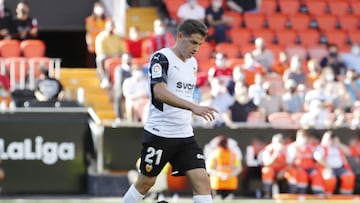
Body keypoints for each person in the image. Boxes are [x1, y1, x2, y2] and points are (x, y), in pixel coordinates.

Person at [122, 19, 218, 203]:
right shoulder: (161, 58)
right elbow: (159, 92)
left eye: (199, 44)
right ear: (180, 36)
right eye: (193, 42)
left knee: (202, 181)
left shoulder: (193, 64)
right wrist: (193, 107)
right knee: (145, 183)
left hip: (184, 135)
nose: (196, 48)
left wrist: (195, 106)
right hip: (160, 133)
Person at [314, 131, 355, 196]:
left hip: (340, 168)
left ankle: (345, 197)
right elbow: (318, 157)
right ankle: (328, 196)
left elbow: (349, 152)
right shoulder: (321, 147)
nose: (331, 140)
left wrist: (338, 143)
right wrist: (328, 167)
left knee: (349, 176)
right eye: (330, 138)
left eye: (332, 138)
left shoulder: (338, 147)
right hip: (326, 168)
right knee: (329, 177)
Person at [206, 135, 242, 200]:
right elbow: (238, 168)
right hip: (230, 183)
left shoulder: (213, 154)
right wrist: (229, 175)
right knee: (228, 199)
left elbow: (209, 168)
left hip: (216, 183)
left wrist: (219, 174)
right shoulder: (234, 155)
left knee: (217, 199)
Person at [95, 20, 126, 87]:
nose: (111, 28)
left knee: (126, 57)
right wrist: (112, 55)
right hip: (106, 56)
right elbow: (100, 51)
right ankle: (104, 79)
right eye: (109, 27)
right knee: (100, 59)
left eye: (112, 26)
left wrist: (119, 54)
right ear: (106, 27)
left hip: (117, 55)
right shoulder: (101, 37)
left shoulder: (118, 37)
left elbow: (123, 49)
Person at [85, 1, 109, 66]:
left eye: (100, 7)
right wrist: (89, 43)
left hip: (103, 45)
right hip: (93, 45)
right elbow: (88, 32)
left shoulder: (107, 20)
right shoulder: (89, 20)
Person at [112, 52, 133, 121]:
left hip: (132, 90)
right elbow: (119, 82)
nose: (128, 60)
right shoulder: (119, 69)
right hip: (122, 89)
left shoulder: (133, 69)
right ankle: (119, 117)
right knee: (119, 94)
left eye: (129, 59)